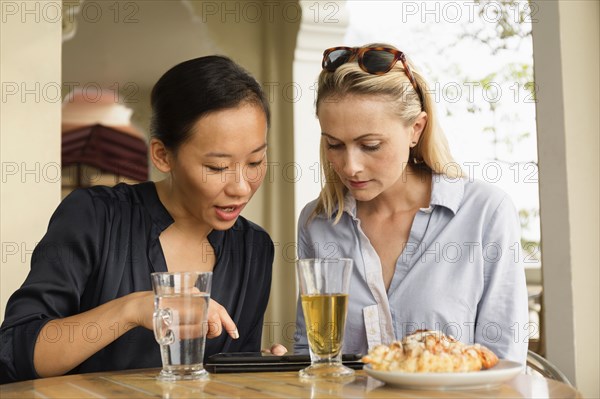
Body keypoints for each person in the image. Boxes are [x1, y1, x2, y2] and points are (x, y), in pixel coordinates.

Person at [0, 55, 285, 384]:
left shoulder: (253, 248)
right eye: (217, 167)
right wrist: (133, 309)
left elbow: (226, 376)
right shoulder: (95, 217)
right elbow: (16, 354)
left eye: (255, 162)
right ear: (163, 155)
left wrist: (260, 368)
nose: (240, 187)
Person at [294, 44, 529, 364]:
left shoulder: (485, 213)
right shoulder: (318, 222)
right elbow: (308, 354)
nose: (351, 166)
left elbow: (504, 362)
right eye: (334, 144)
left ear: (415, 130)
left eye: (370, 145)